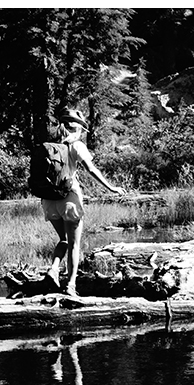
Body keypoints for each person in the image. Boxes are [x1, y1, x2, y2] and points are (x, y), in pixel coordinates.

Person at [42, 109, 126, 296]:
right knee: (74, 244)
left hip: (48, 201)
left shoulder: (50, 145)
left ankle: (53, 269)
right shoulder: (76, 145)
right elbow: (91, 169)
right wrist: (111, 187)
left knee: (63, 239)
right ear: (79, 129)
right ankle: (71, 286)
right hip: (69, 200)